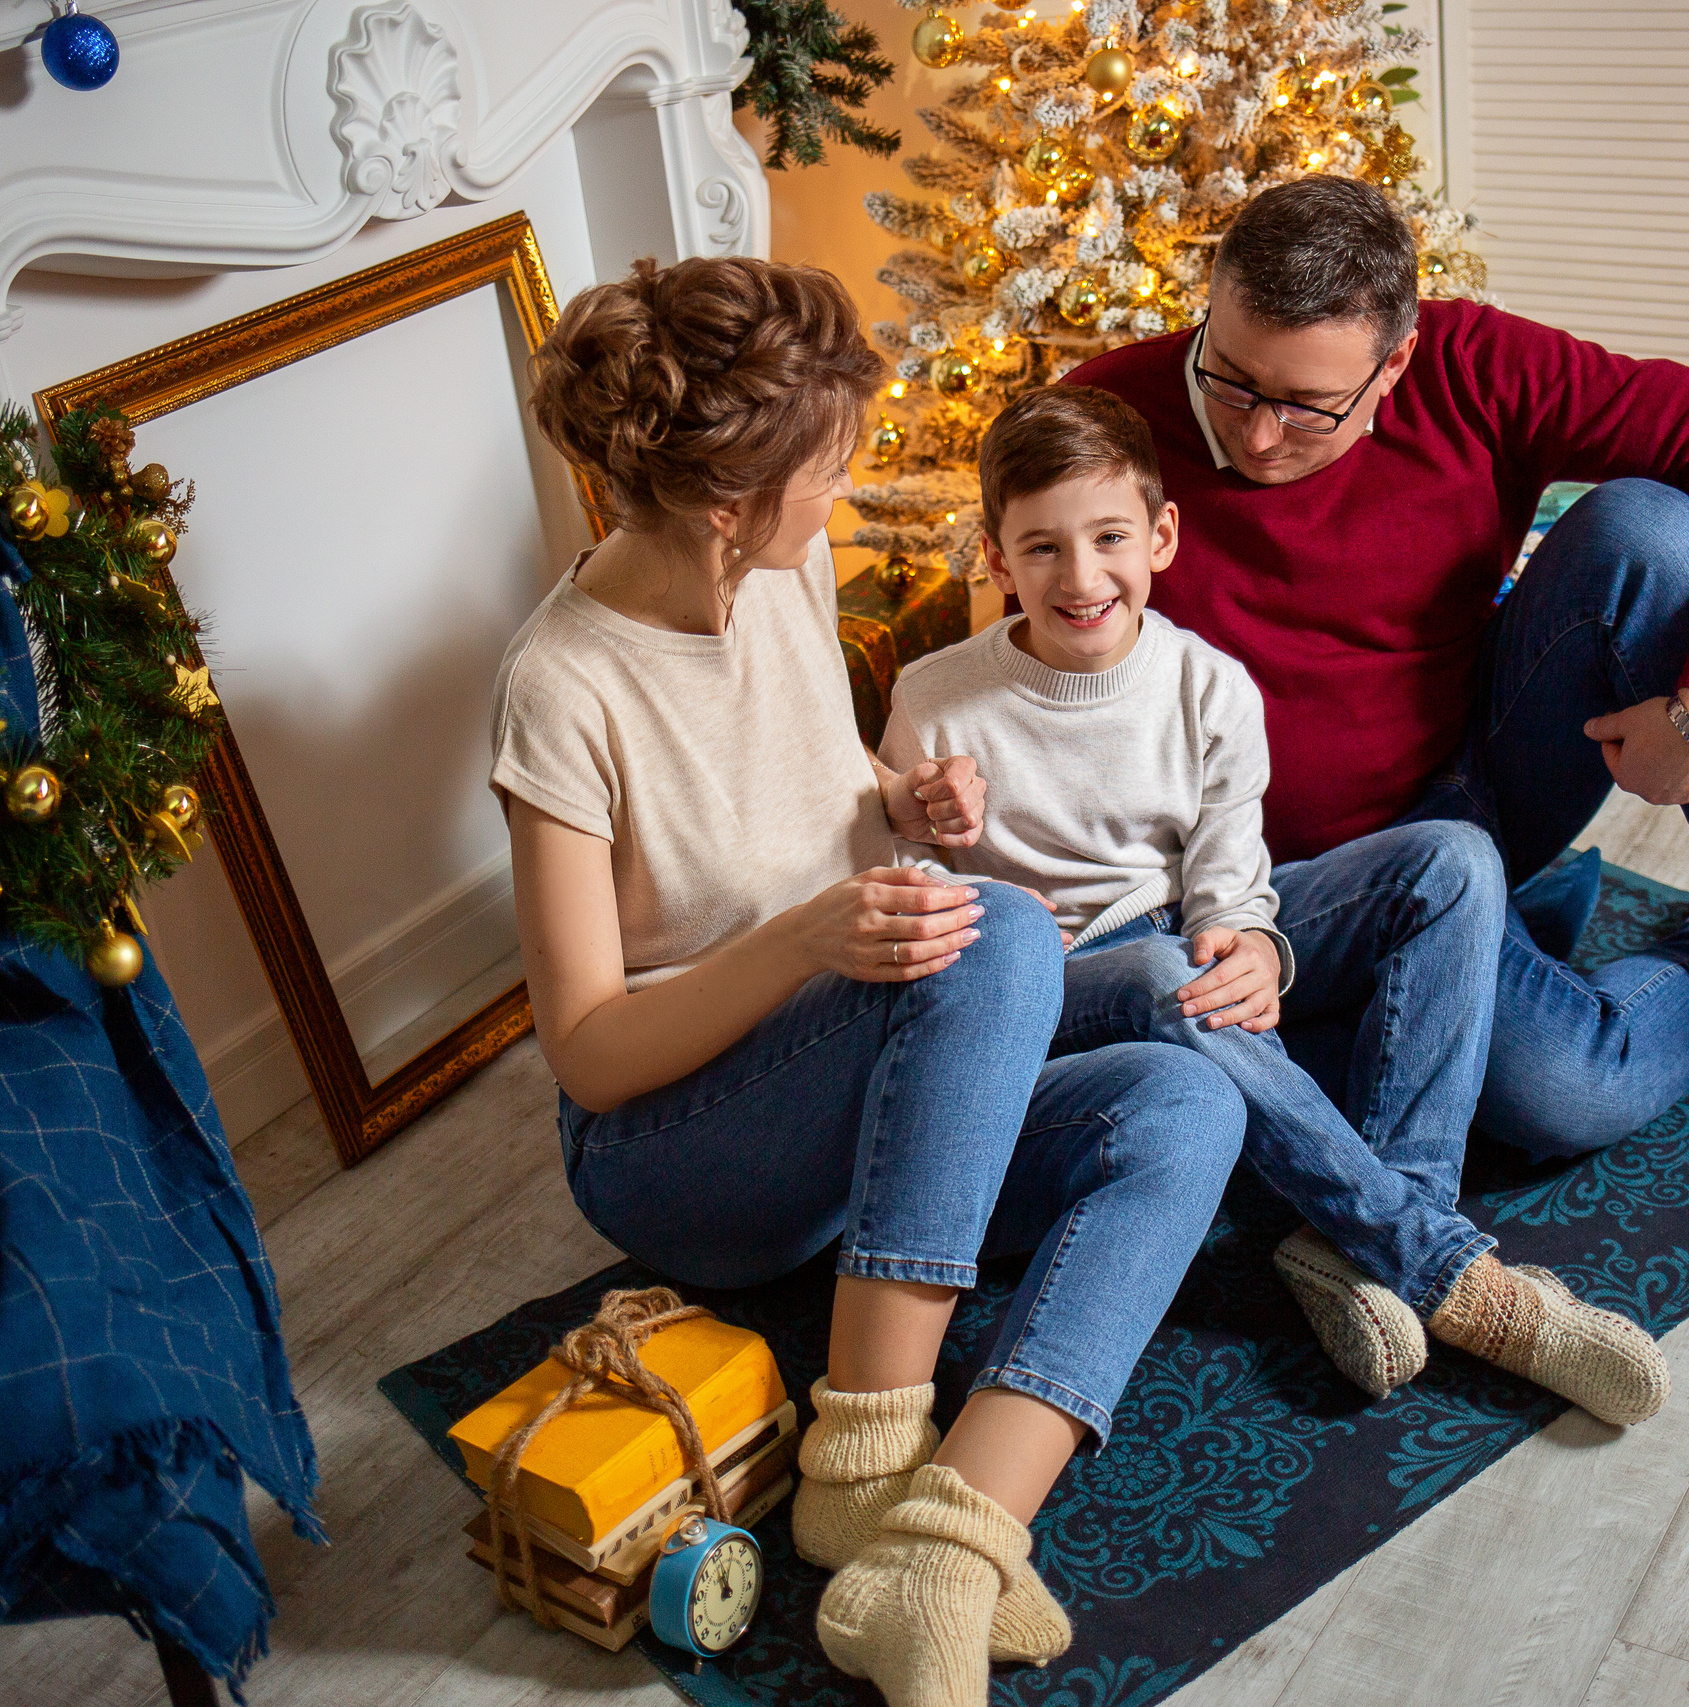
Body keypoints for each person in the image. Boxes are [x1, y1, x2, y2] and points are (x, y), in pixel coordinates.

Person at [493, 255, 1245, 1707]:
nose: (842, 492)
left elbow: (824, 803)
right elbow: (587, 1053)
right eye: (825, 469)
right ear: (730, 502)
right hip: (682, 1154)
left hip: (868, 1090)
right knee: (1010, 934)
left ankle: (952, 1542)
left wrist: (913, 805)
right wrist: (808, 939)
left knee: (1178, 1099)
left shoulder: (784, 570)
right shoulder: (562, 682)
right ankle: (861, 1462)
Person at [1070, 174, 1689, 1172]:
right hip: (1279, 885)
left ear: (1396, 365)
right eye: (1233, 378)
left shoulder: (1474, 366)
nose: (1256, 435)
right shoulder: (1106, 413)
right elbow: (1044, 682)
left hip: (1477, 781)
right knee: (1565, 1092)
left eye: (1306, 408)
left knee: (1652, 534)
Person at [881, 385, 1668, 1427]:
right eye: (1041, 549)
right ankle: (1448, 1275)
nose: (1079, 578)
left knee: (1453, 860)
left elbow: (1224, 862)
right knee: (1170, 973)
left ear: (1160, 536)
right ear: (994, 556)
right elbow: (903, 901)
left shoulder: (1208, 685)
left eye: (1108, 537)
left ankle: (1373, 1241)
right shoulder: (936, 697)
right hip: (1056, 986)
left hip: (1175, 937)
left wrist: (1249, 934)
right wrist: (931, 830)